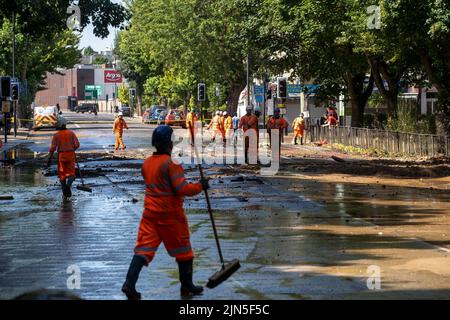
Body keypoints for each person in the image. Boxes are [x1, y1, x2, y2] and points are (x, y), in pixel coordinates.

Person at [121, 125, 209, 300]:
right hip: (170, 216)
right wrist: (201, 185)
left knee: (143, 249)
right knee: (184, 250)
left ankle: (129, 284)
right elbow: (182, 188)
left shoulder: (147, 163)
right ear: (170, 143)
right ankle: (187, 286)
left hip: (150, 215)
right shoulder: (171, 164)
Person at [47, 118, 80, 201]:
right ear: (65, 125)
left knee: (62, 174)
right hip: (70, 155)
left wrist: (49, 158)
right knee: (71, 174)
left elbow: (52, 148)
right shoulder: (71, 133)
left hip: (61, 155)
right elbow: (77, 144)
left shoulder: (56, 135)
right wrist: (72, 149)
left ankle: (64, 194)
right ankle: (68, 187)